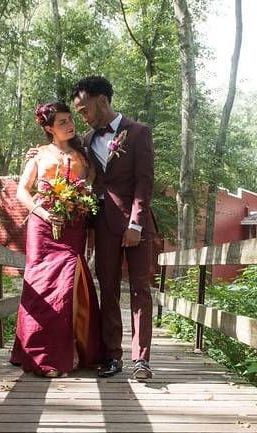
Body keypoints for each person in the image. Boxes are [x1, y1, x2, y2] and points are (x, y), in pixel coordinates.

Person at [9, 101, 104, 378]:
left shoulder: (83, 157)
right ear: (49, 128)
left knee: (68, 286)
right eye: (61, 122)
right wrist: (43, 212)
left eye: (70, 119)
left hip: (73, 226)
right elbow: (22, 193)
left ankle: (73, 350)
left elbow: (90, 186)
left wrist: (81, 201)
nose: (69, 124)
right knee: (42, 286)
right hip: (42, 227)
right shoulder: (38, 155)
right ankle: (42, 355)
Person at [72, 76, 157, 380]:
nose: (83, 116)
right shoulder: (86, 139)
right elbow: (64, 155)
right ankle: (112, 356)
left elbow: (145, 183)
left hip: (137, 223)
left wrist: (136, 222)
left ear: (102, 101)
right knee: (107, 289)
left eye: (84, 110)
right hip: (104, 223)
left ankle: (141, 360)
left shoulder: (138, 133)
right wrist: (36, 154)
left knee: (140, 289)